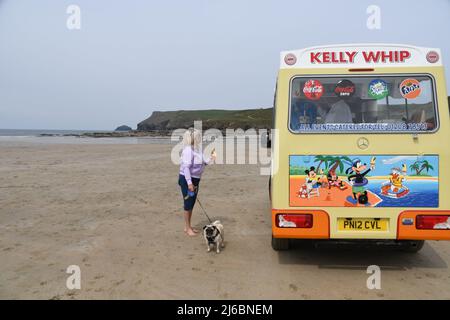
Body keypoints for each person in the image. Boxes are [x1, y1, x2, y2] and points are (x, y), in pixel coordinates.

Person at [178, 128, 216, 236]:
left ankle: (189, 226)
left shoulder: (197, 149)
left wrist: (212, 158)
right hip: (186, 179)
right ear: (192, 138)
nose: (200, 138)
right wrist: (189, 183)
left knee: (192, 203)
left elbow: (205, 162)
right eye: (198, 137)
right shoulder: (188, 150)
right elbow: (186, 168)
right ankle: (187, 227)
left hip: (195, 179)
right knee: (188, 203)